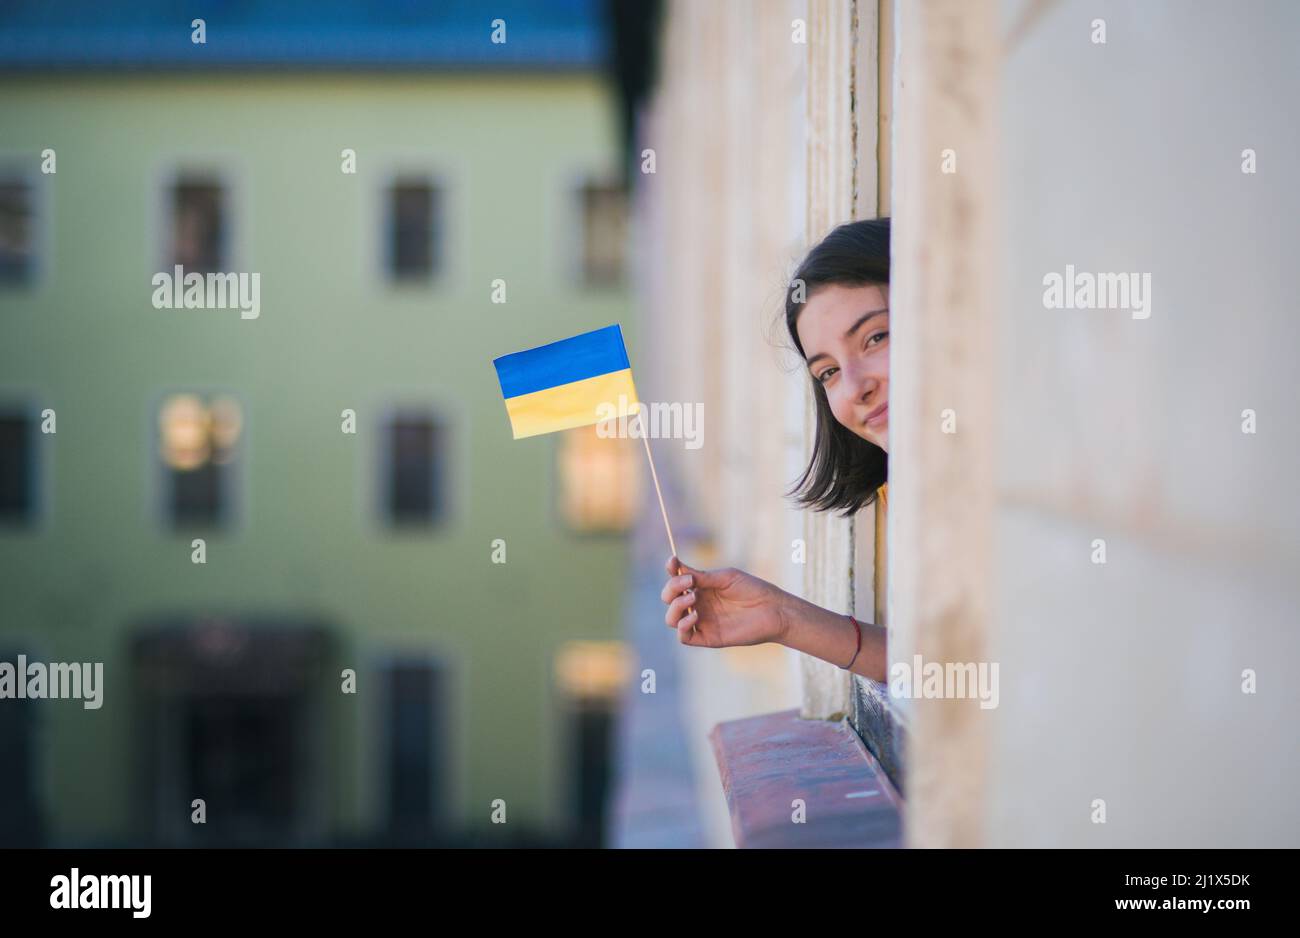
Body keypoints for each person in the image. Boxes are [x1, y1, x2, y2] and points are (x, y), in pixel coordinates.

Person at [659, 218, 891, 682]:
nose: (855, 387)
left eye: (876, 337)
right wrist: (781, 617)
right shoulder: (897, 496)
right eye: (827, 372)